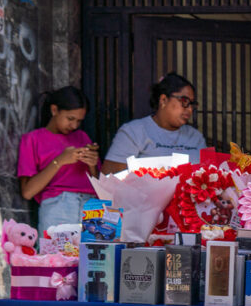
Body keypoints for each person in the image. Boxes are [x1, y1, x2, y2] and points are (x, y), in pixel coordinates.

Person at [17, 86, 99, 233]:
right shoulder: (32, 139)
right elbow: (28, 192)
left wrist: (93, 165)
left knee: (93, 256)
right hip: (58, 208)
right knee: (55, 256)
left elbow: (101, 185)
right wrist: (59, 161)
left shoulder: (82, 137)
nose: (74, 125)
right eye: (70, 119)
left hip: (92, 207)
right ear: (54, 110)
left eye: (79, 121)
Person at [102, 72, 206, 173]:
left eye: (192, 104)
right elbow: (110, 178)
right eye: (184, 101)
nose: (190, 109)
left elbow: (207, 175)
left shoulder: (195, 137)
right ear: (163, 100)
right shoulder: (133, 132)